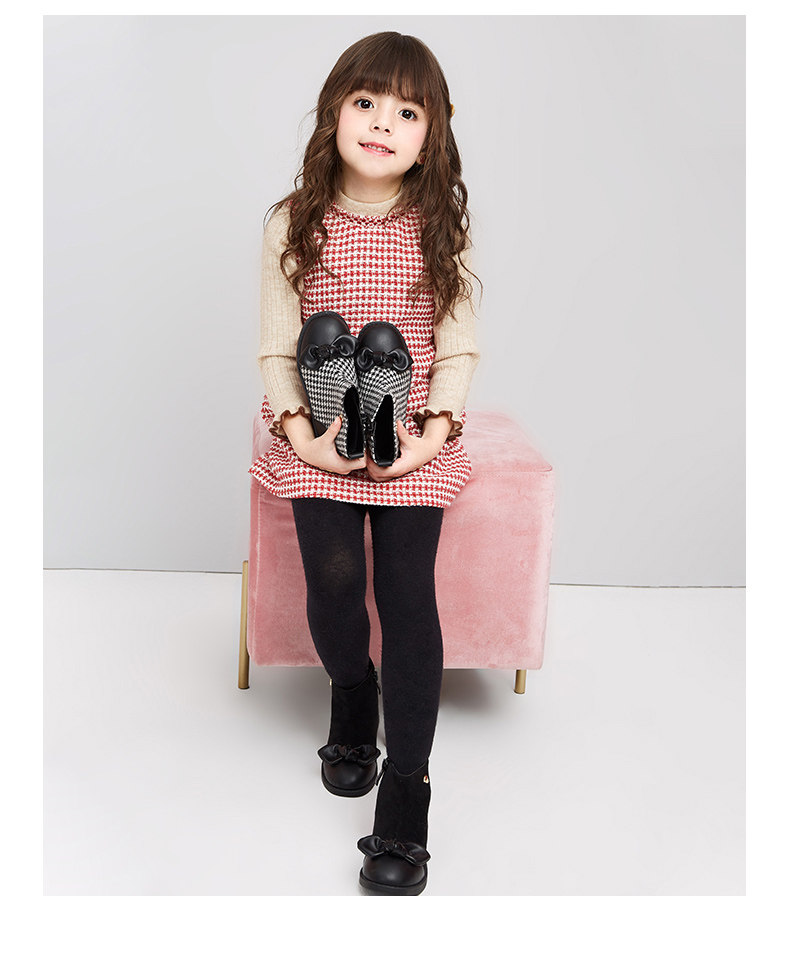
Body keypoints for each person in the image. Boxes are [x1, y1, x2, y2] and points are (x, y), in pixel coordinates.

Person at [249, 31, 480, 896]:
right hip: (318, 436)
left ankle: (407, 792)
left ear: (432, 135)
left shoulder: (439, 224)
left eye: (407, 112)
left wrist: (431, 434)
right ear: (334, 113)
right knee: (337, 586)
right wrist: (301, 429)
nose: (384, 123)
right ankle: (353, 689)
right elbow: (274, 347)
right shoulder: (292, 220)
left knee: (408, 600)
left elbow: (458, 347)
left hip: (410, 437)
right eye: (366, 102)